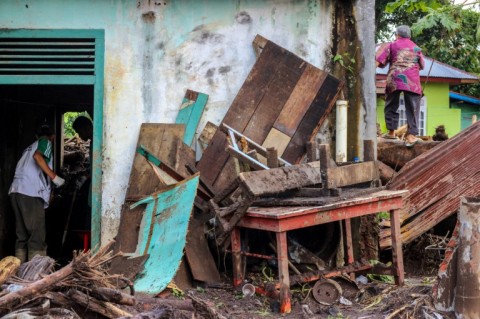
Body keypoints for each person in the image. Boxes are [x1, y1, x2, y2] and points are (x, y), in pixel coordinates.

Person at [9, 124, 65, 262]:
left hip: (16, 192)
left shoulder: (27, 148)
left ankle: (18, 271)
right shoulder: (45, 141)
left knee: (21, 236)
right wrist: (55, 177)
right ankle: (35, 276)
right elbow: (38, 157)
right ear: (52, 136)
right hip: (30, 193)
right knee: (36, 237)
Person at [376, 25, 425, 147]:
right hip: (412, 82)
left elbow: (378, 61)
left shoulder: (391, 45)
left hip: (395, 79)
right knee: (413, 108)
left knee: (391, 105)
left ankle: (391, 133)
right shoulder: (416, 48)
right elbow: (422, 65)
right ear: (409, 36)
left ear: (397, 35)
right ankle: (411, 136)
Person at [72, 115, 93, 205]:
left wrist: (86, 177)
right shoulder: (93, 141)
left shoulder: (98, 141)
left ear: (87, 128)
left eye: (79, 132)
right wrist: (85, 175)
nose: (79, 136)